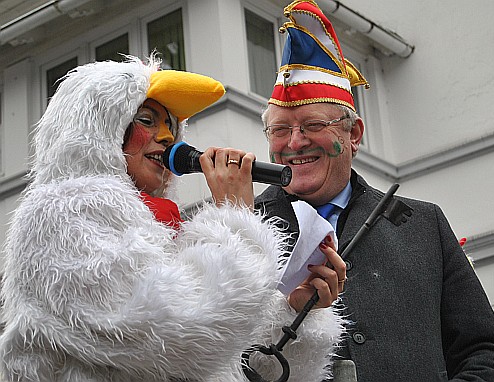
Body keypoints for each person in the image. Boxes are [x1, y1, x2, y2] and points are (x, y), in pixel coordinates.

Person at [0, 55, 347, 381]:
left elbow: (239, 362)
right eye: (147, 120)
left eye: (171, 126)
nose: (167, 137)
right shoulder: (63, 211)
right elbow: (176, 335)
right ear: (100, 129)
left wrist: (294, 313)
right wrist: (236, 219)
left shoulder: (164, 227)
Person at [254, 1, 494, 381]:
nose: (295, 143)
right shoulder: (242, 228)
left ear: (352, 135)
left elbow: (484, 351)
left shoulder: (423, 225)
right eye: (280, 130)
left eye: (311, 125)